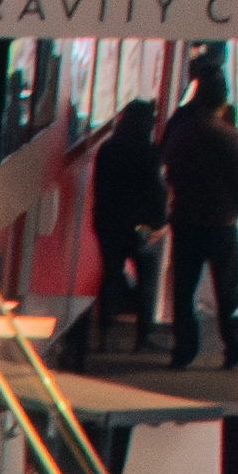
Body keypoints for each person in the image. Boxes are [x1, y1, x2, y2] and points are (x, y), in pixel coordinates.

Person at [158, 70, 238, 369]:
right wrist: (232, 212)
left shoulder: (181, 129)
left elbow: (168, 165)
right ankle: (235, 347)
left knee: (183, 289)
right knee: (228, 292)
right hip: (221, 222)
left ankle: (184, 349)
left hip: (186, 217)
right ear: (222, 99)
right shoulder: (230, 136)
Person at [84, 101, 164, 364]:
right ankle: (143, 336)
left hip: (107, 222)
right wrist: (157, 222)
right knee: (148, 275)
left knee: (111, 274)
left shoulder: (107, 148)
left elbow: (100, 187)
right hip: (136, 226)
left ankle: (105, 334)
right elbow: (155, 190)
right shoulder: (147, 151)